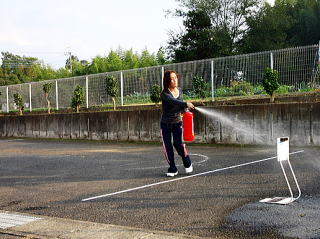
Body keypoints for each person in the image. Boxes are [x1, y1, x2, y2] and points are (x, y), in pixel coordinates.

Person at [160, 70, 195, 177]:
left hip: (177, 123)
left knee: (178, 144)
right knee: (168, 146)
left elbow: (180, 106)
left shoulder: (180, 90)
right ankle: (173, 168)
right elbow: (173, 101)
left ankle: (187, 161)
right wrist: (186, 103)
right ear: (167, 81)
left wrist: (186, 110)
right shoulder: (164, 93)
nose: (174, 80)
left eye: (175, 77)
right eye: (171, 78)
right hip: (165, 124)